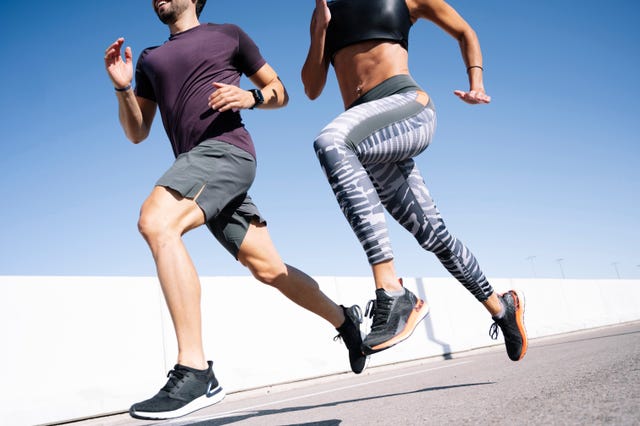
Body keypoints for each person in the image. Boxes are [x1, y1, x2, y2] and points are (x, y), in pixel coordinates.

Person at [104, 0, 367, 420]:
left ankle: (195, 369)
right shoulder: (151, 60)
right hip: (200, 170)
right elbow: (137, 131)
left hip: (226, 153)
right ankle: (345, 321)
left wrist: (250, 96)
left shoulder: (228, 34)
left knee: (156, 221)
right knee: (269, 268)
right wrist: (122, 87)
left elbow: (280, 92)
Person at [301, 0, 527, 360]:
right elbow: (312, 88)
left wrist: (476, 82)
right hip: (368, 132)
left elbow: (464, 31)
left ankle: (391, 291)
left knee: (331, 142)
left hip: (406, 107)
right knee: (434, 236)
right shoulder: (325, 9)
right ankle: (502, 309)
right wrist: (320, 28)